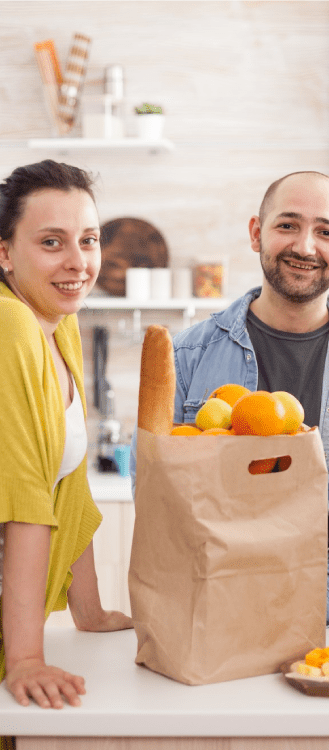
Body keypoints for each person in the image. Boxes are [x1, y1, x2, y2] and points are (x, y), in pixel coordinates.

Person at [130, 170, 329, 627]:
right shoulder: (185, 357)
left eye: (325, 232)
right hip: (211, 616)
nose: (305, 247)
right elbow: (153, 487)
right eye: (287, 225)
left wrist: (317, 598)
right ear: (256, 233)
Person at [0, 160, 132, 736]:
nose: (78, 262)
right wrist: (26, 659)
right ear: (5, 252)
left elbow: (67, 486)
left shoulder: (56, 323)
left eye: (88, 240)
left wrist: (90, 611)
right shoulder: (11, 327)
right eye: (51, 243)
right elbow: (25, 495)